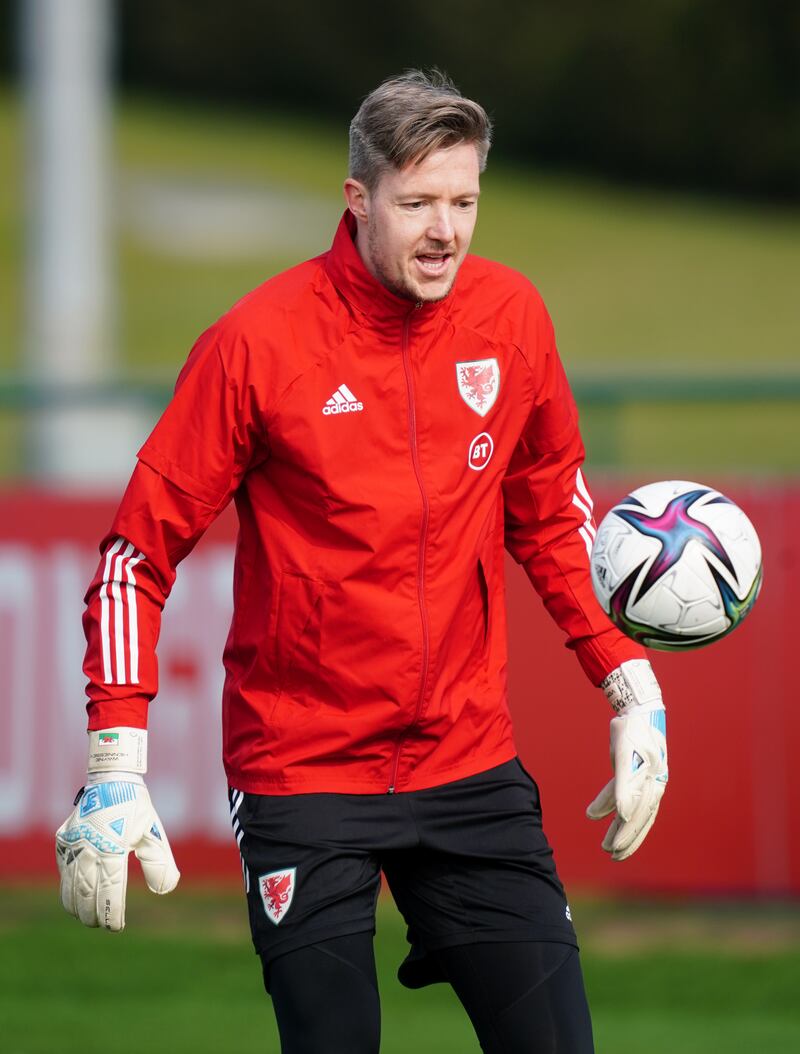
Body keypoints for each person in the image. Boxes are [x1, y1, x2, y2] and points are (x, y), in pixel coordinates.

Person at [56, 70, 668, 1053]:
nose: (445, 232)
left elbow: (551, 516)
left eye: (463, 201)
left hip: (466, 761)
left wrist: (629, 682)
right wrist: (113, 759)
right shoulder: (256, 344)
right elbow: (138, 553)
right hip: (304, 773)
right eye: (417, 202)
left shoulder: (510, 320)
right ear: (357, 199)